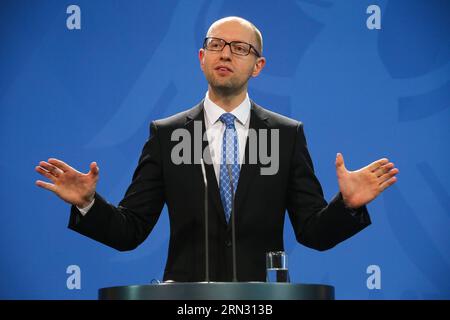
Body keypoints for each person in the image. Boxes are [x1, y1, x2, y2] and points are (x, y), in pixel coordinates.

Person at [35, 17, 399, 282]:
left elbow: (313, 233)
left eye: (240, 48)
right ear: (201, 57)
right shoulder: (167, 135)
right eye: (216, 45)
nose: (225, 53)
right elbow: (129, 232)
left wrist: (348, 206)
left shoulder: (286, 136)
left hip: (263, 304)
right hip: (187, 304)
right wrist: (87, 203)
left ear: (258, 67)